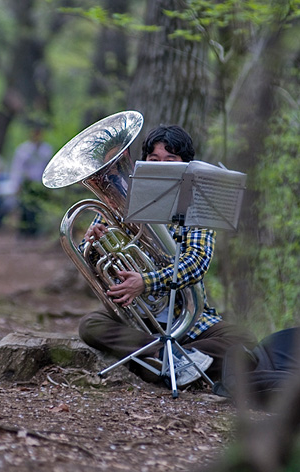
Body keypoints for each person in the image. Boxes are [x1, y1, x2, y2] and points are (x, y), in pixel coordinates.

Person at [78, 124, 256, 388]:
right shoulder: (120, 201)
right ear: (144, 163)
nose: (161, 166)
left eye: (170, 161)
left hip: (187, 319)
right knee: (90, 325)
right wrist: (92, 243)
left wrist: (146, 282)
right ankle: (169, 358)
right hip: (138, 318)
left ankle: (156, 362)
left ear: (187, 165)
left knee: (246, 342)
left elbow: (197, 262)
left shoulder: (199, 202)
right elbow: (90, 260)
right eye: (154, 160)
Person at [9, 123, 53, 237]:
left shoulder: (46, 150)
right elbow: (17, 167)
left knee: (37, 208)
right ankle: (23, 231)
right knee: (25, 208)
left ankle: (34, 231)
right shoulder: (23, 149)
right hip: (27, 183)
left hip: (39, 183)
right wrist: (16, 183)